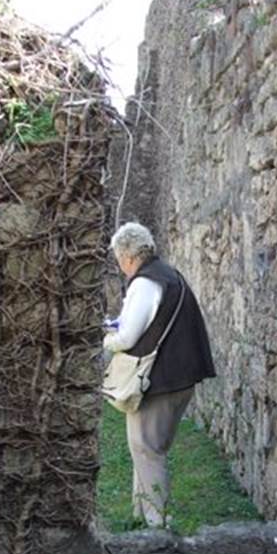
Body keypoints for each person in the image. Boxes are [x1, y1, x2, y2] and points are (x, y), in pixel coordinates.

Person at [104, 221, 216, 527]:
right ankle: (141, 516)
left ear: (127, 256)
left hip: (160, 382)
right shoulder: (169, 275)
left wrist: (104, 338)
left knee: (146, 449)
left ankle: (156, 525)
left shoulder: (145, 283)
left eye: (119, 261)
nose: (121, 267)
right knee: (147, 449)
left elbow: (127, 338)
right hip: (181, 378)